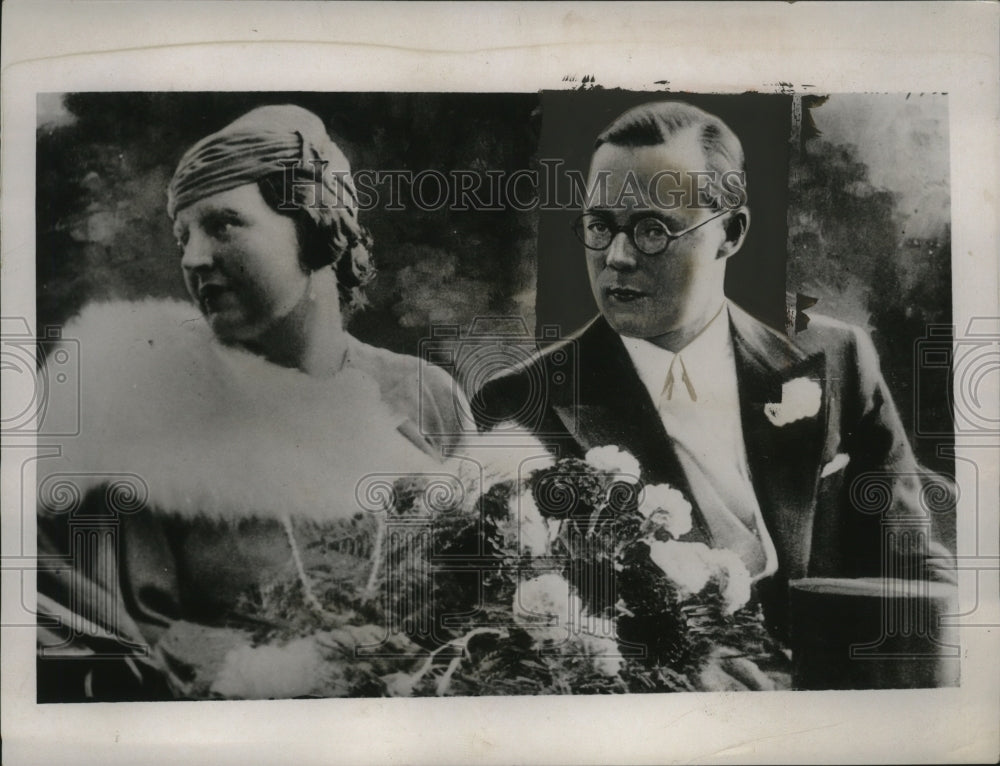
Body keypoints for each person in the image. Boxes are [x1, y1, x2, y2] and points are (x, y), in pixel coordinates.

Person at [472, 100, 955, 648]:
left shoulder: (838, 357)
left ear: (731, 231)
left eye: (653, 230)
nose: (618, 257)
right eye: (600, 226)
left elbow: (913, 569)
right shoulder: (524, 403)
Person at [36, 105, 470, 701]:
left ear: (317, 228)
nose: (192, 258)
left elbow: (481, 596)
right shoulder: (149, 411)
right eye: (183, 235)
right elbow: (136, 645)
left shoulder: (425, 396)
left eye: (224, 224)